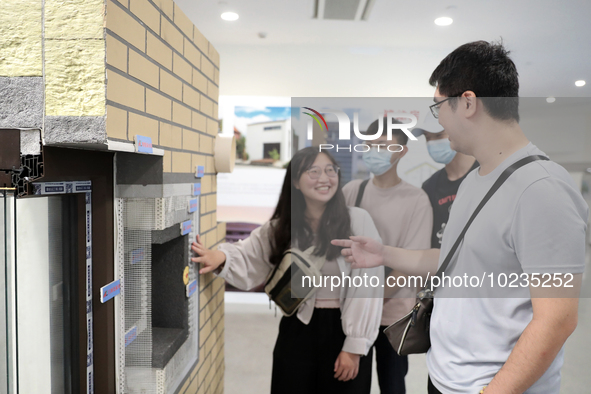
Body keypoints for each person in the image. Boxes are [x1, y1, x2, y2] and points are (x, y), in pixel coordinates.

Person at [332, 40, 588, 394]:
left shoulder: (542, 190)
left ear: (467, 102)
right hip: (446, 376)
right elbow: (458, 262)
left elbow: (557, 320)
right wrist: (384, 253)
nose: (437, 121)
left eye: (439, 108)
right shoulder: (476, 180)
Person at [192, 147, 384, 393]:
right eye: (313, 171)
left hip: (344, 330)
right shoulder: (281, 227)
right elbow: (248, 255)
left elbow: (367, 286)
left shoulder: (358, 221)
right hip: (297, 330)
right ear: (295, 181)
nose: (324, 178)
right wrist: (217, 256)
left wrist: (354, 346)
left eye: (330, 170)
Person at [341, 118, 432, 394]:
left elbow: (410, 264)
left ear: (401, 151)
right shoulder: (351, 192)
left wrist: (369, 299)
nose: (373, 151)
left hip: (393, 318)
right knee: (351, 381)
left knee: (392, 385)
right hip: (353, 315)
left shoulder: (417, 200)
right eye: (369, 145)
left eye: (382, 145)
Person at [412, 115, 478, 248]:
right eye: (427, 138)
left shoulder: (486, 174)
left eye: (438, 136)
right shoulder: (430, 186)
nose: (431, 143)